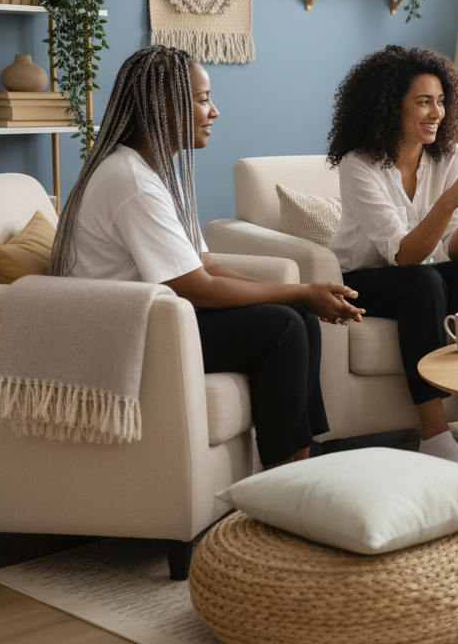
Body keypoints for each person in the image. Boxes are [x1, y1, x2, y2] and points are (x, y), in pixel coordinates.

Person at [50, 46, 363, 469]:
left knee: (299, 318)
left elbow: (206, 265)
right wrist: (297, 293)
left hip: (155, 318)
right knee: (283, 326)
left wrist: (299, 294)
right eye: (202, 99)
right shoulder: (131, 182)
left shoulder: (152, 174)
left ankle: (301, 474)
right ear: (162, 107)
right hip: (121, 332)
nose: (213, 111)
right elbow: (198, 288)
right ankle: (278, 483)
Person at [326, 45, 458, 470]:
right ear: (389, 105)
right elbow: (404, 255)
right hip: (361, 279)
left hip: (416, 275)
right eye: (422, 102)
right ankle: (434, 435)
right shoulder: (358, 164)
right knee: (423, 281)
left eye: (440, 101)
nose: (436, 111)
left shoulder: (450, 156)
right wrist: (449, 201)